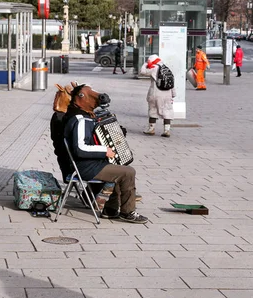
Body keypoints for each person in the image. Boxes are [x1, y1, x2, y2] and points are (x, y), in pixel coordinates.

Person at [63, 86, 148, 224]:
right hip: (86, 167)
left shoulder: (85, 117)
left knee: (121, 168)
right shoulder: (81, 120)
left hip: (92, 164)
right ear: (79, 99)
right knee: (128, 172)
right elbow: (80, 148)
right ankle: (127, 212)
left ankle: (111, 210)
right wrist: (104, 150)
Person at [139, 54, 175, 138]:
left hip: (156, 93)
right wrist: (173, 94)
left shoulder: (153, 68)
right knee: (167, 110)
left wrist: (145, 64)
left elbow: (142, 71)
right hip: (167, 94)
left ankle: (151, 129)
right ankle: (167, 130)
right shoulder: (166, 68)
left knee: (153, 110)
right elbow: (172, 82)